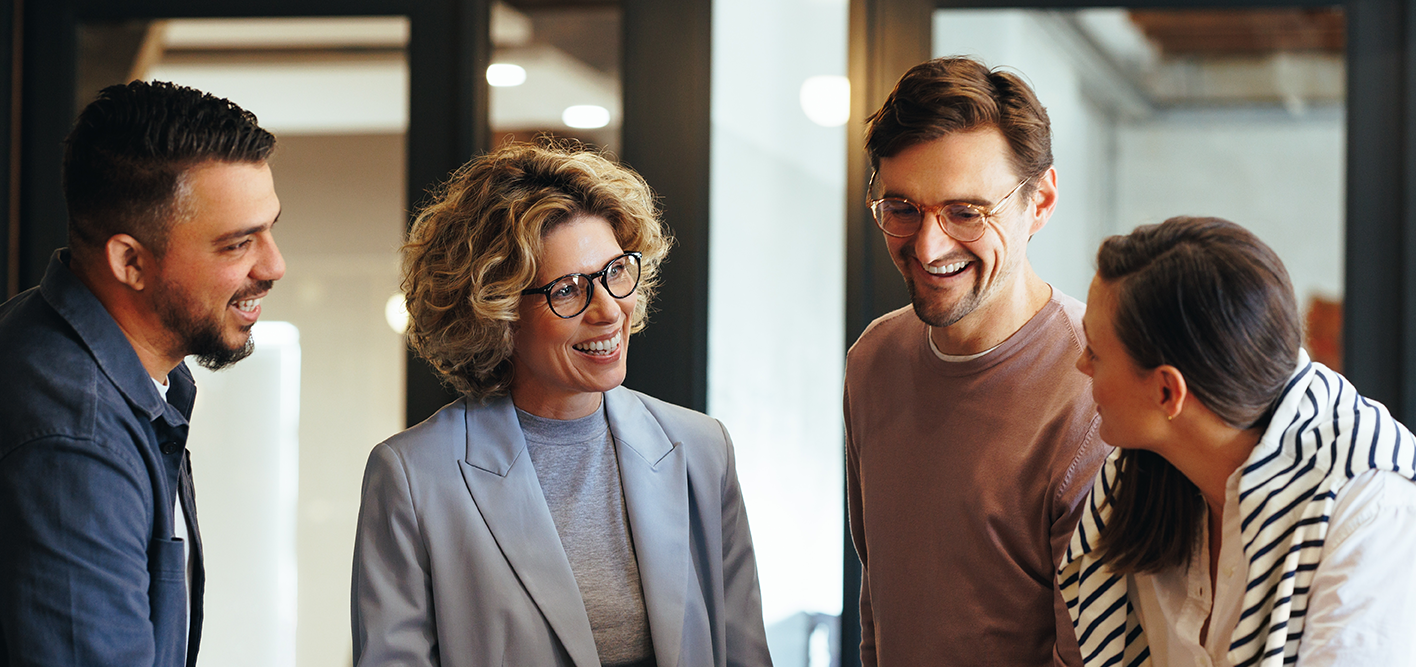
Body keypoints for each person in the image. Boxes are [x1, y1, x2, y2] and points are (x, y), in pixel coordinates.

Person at [351, 142, 771, 667]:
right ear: (498, 312)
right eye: (568, 289)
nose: (608, 310)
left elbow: (744, 654)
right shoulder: (413, 477)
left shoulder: (702, 448)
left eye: (616, 271)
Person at [0, 81, 284, 667]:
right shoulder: (76, 439)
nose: (274, 265)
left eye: (270, 228)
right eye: (237, 244)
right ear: (130, 261)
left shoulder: (64, 347)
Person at [844, 56, 1109, 666]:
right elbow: (879, 600)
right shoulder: (872, 361)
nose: (929, 245)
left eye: (966, 212)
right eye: (902, 208)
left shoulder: (1095, 392)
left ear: (1039, 202)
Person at [1062, 216, 1416, 666]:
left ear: (1167, 391)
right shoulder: (1135, 478)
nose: (1080, 364)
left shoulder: (1369, 505)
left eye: (1095, 350)